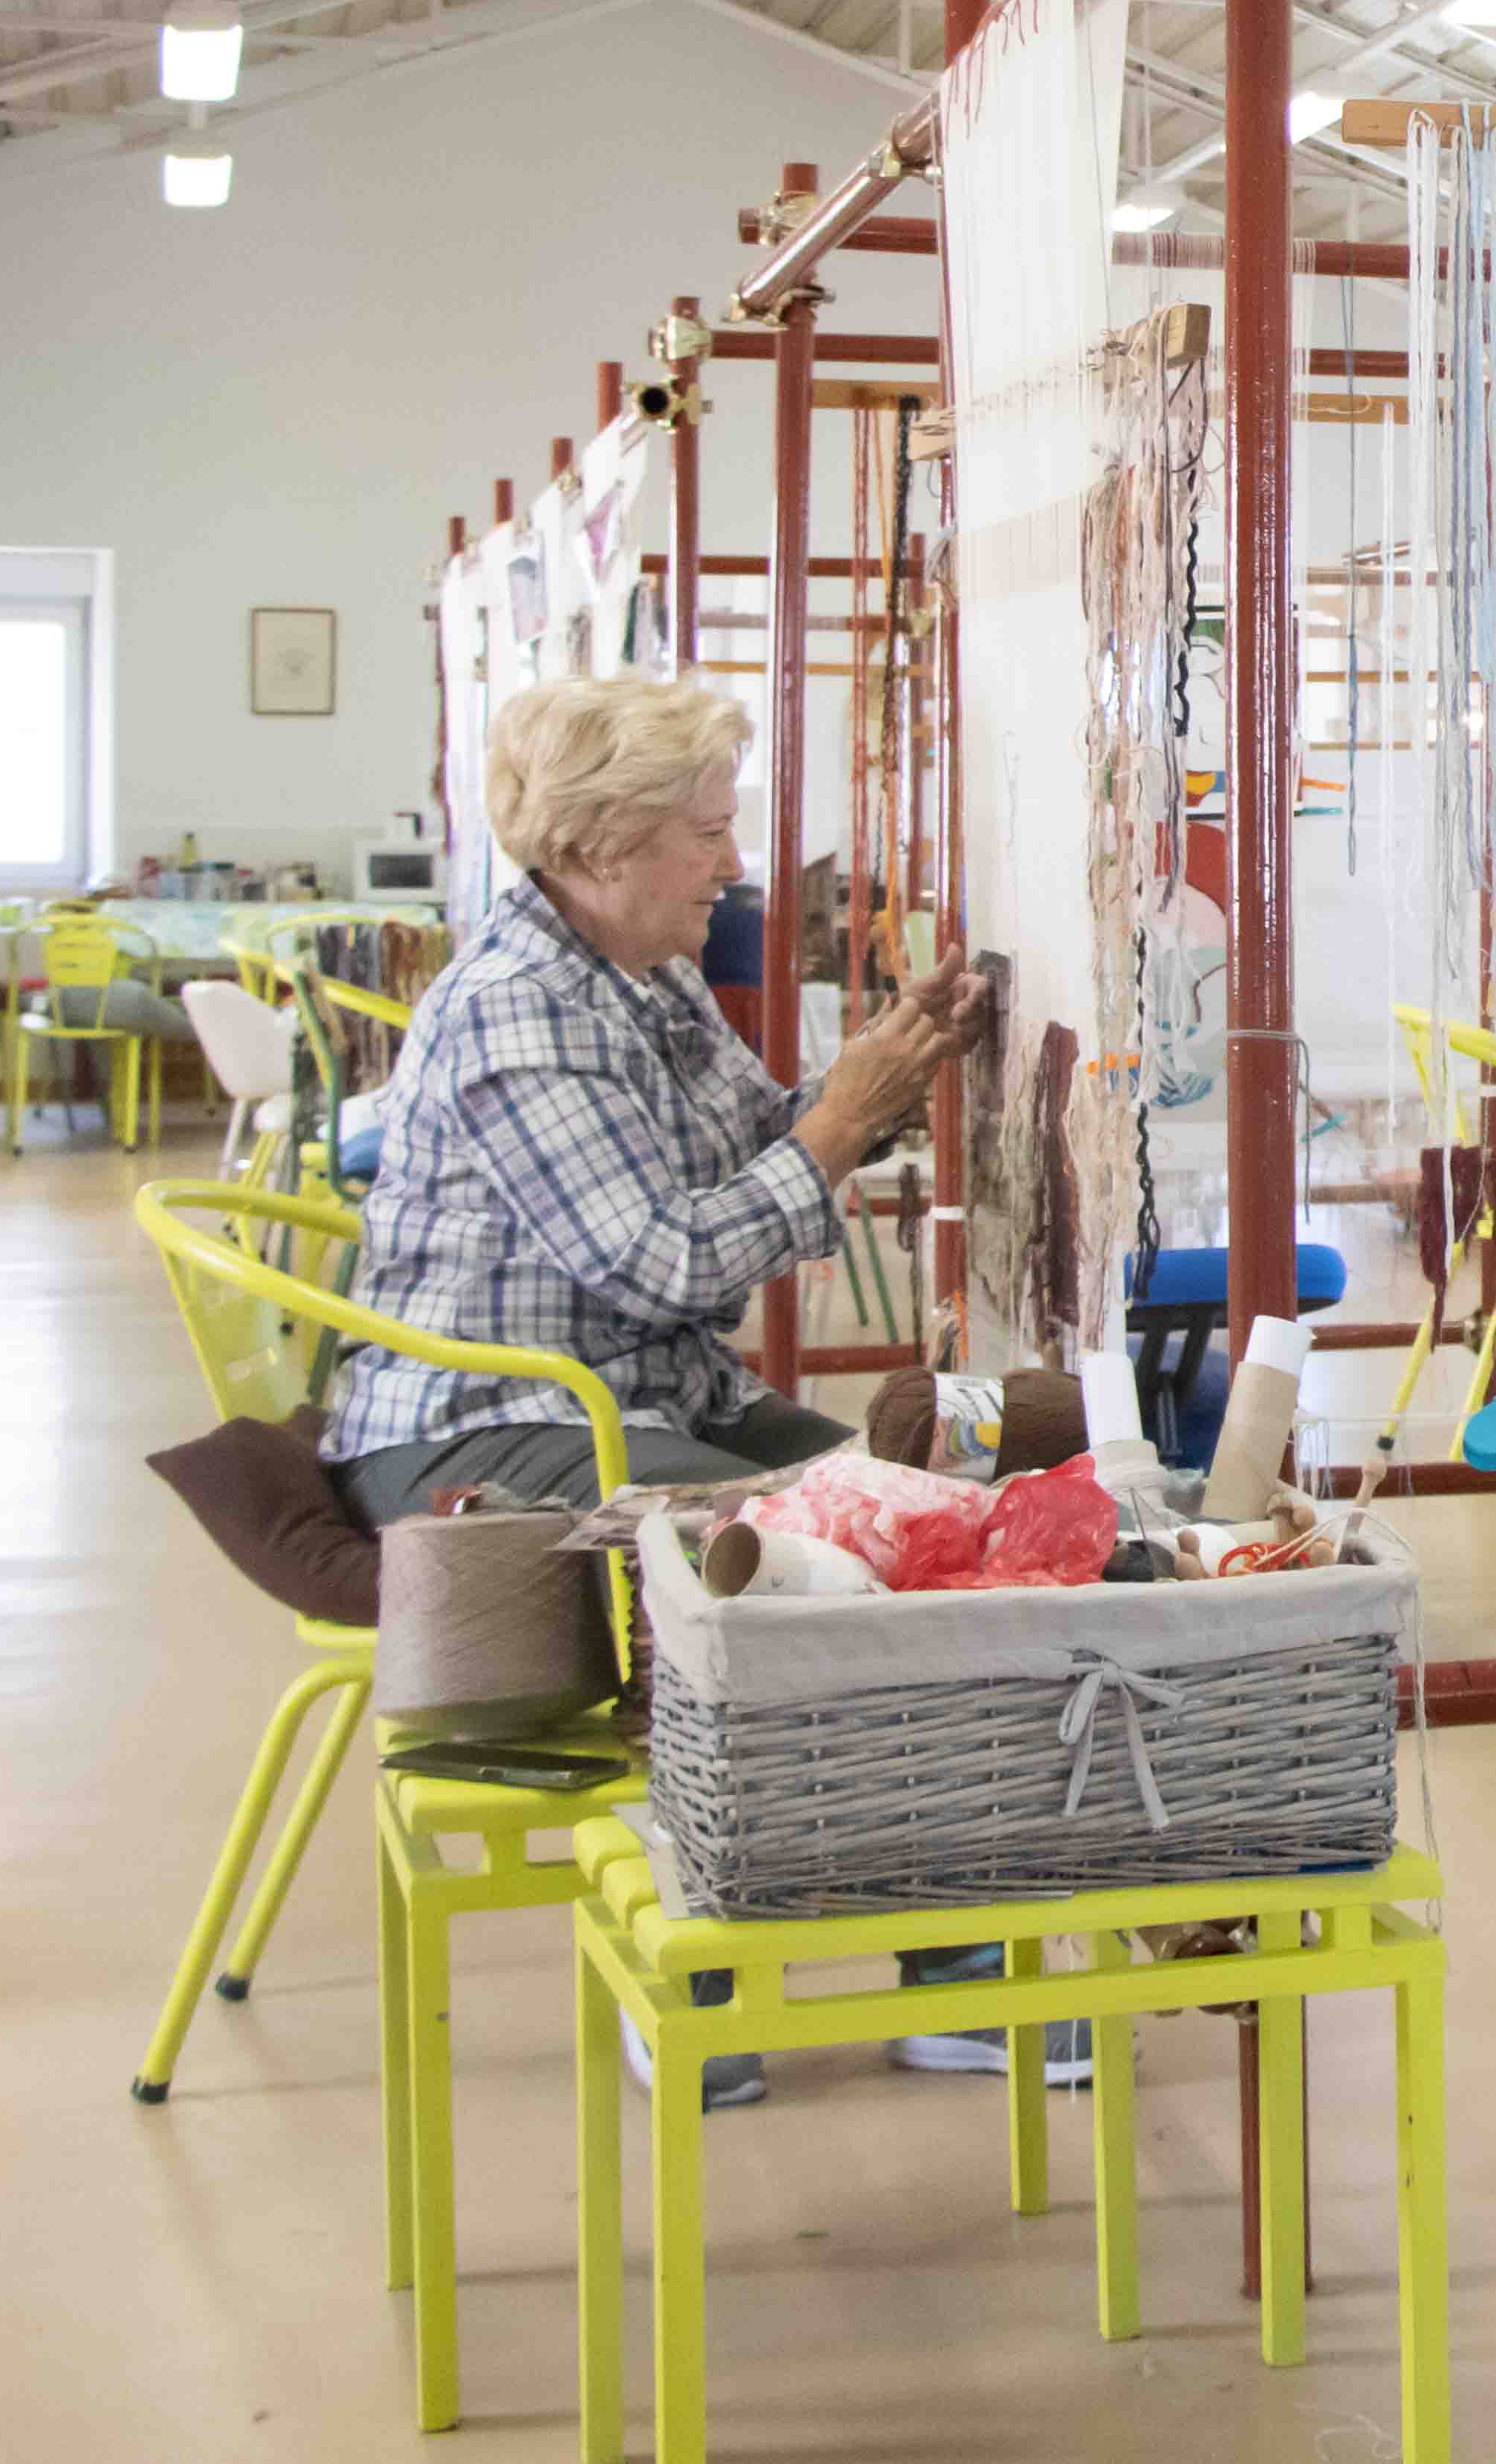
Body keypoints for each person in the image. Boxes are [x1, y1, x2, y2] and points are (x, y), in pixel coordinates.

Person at [322, 673, 1030, 2107]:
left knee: (929, 1515)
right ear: (598, 843)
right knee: (810, 1548)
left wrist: (880, 1074)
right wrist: (840, 1122)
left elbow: (755, 1140)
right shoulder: (521, 1005)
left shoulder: (643, 976)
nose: (735, 862)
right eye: (707, 831)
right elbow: (666, 1260)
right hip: (482, 1428)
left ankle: (944, 1959)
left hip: (639, 1394)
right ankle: (691, 1965)